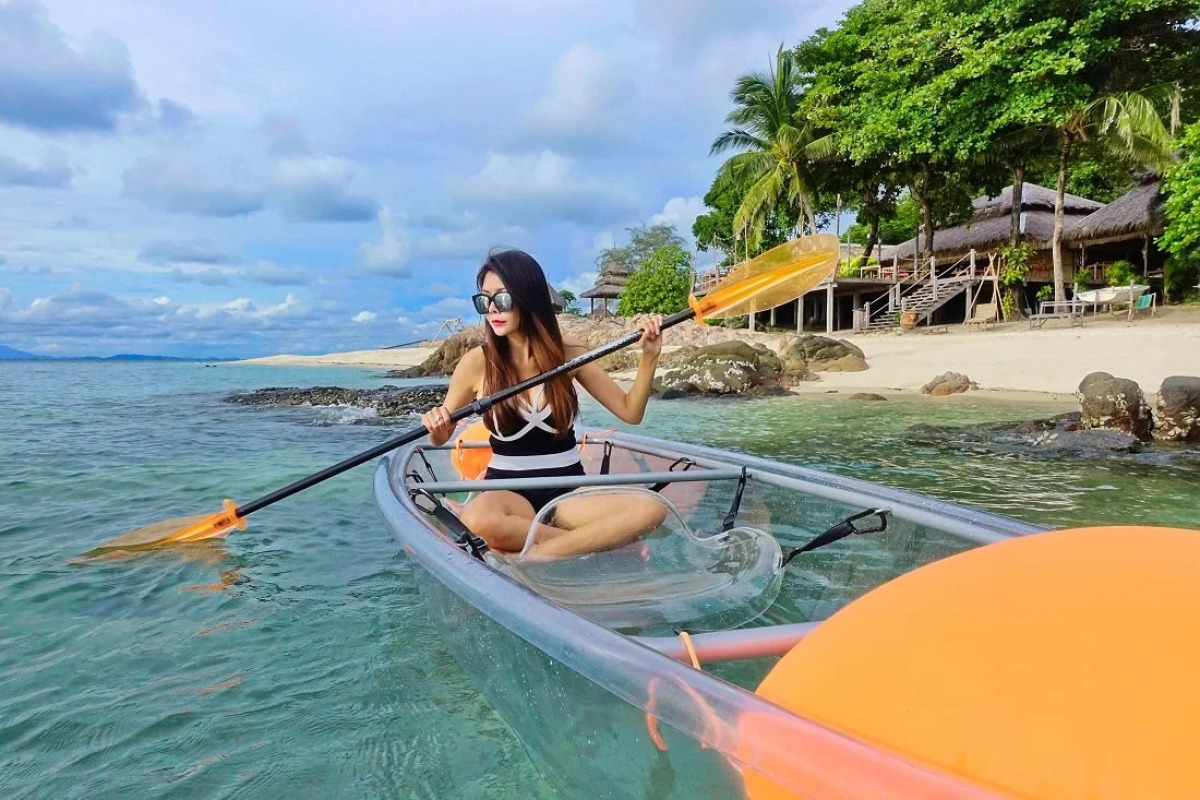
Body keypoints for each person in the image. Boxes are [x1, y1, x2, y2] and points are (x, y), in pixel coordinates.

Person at [421, 248, 668, 558]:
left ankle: (541, 554)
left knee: (653, 508)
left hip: (569, 493)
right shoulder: (476, 363)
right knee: (476, 520)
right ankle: (593, 544)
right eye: (484, 300)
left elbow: (630, 412)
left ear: (529, 299)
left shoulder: (568, 356)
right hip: (507, 493)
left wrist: (649, 357)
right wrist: (436, 423)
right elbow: (442, 435)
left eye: (503, 299)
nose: (493, 310)